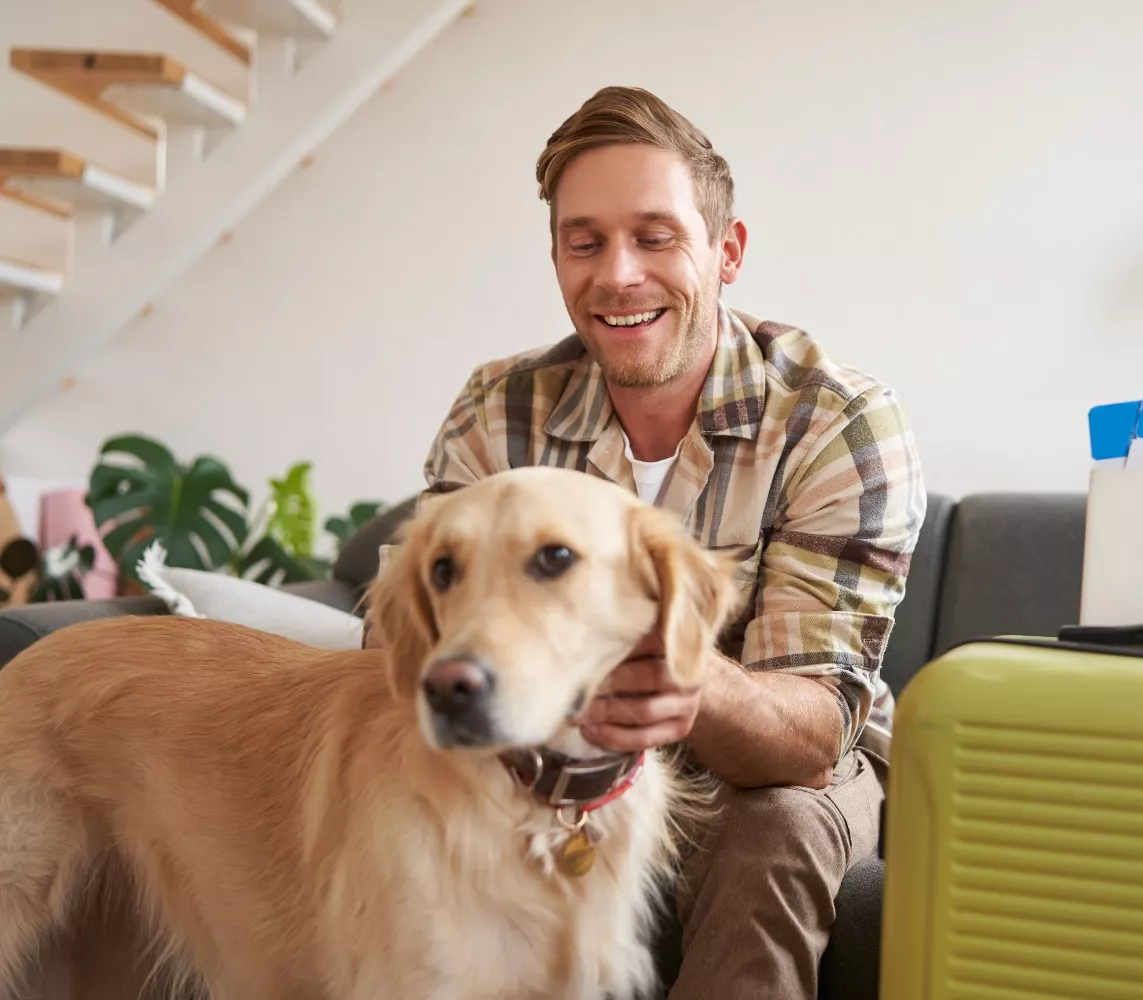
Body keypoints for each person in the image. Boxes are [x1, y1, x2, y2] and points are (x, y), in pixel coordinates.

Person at [370, 85, 925, 999]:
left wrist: (685, 676)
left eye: (656, 236)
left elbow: (815, 736)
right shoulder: (498, 409)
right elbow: (401, 641)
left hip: (763, 777)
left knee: (778, 825)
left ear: (727, 250)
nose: (618, 274)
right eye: (584, 242)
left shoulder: (839, 420)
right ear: (556, 257)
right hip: (537, 755)